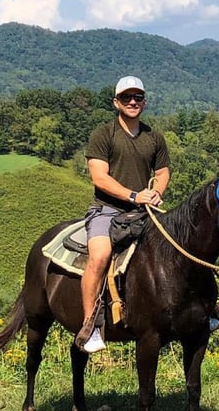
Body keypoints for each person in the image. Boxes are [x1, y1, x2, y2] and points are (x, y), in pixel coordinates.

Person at [76, 75, 170, 353]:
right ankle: (90, 324)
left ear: (145, 101)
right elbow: (99, 177)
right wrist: (133, 195)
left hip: (144, 211)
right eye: (127, 97)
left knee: (179, 247)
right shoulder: (103, 134)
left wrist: (157, 192)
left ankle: (199, 311)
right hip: (107, 210)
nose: (132, 102)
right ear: (116, 102)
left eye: (138, 97)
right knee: (100, 256)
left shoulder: (154, 137)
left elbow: (163, 171)